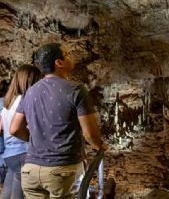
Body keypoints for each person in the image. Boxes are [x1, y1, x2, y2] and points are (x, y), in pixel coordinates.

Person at [10, 42, 107, 198]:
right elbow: (89, 134)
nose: (71, 57)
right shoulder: (75, 89)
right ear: (59, 62)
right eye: (67, 54)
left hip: (31, 170)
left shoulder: (30, 92)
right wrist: (100, 145)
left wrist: (36, 139)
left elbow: (13, 129)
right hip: (62, 171)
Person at [0, 64, 42, 199]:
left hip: (10, 153)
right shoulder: (26, 100)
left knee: (7, 192)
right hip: (22, 153)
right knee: (17, 195)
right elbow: (20, 128)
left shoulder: (9, 102)